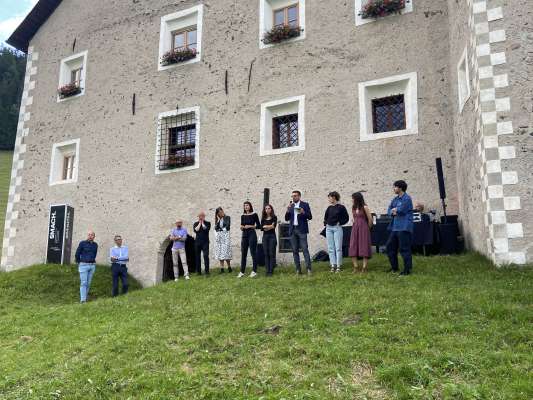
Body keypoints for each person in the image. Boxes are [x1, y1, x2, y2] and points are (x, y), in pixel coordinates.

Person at [386, 180, 414, 276]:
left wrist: (395, 210)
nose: (393, 189)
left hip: (404, 227)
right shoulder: (395, 199)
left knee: (404, 249)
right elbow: (389, 210)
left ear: (400, 188)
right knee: (389, 247)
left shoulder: (407, 198)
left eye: (395, 187)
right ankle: (394, 267)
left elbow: (402, 210)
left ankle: (407, 269)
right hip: (395, 227)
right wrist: (393, 211)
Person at [285, 190, 313, 275]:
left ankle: (309, 269)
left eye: (295, 196)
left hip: (301, 230)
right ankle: (298, 270)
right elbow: (286, 218)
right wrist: (287, 210)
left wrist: (303, 212)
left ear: (299, 196)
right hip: (293, 229)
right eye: (292, 196)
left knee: (305, 249)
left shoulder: (305, 205)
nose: (293, 197)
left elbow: (310, 217)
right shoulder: (291, 206)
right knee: (294, 250)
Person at [323, 191, 349, 273]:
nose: (329, 199)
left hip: (337, 228)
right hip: (329, 229)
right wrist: (326, 223)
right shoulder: (329, 208)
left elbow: (346, 218)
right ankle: (332, 265)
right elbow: (325, 218)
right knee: (331, 248)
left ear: (334, 197)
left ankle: (338, 265)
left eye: (329, 197)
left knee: (338, 248)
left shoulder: (341, 207)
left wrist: (340, 222)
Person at [349, 192, 373, 273]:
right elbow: (354, 218)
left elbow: (370, 219)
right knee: (353, 246)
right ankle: (355, 267)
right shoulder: (353, 207)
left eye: (353, 198)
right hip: (355, 228)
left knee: (364, 246)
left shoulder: (365, 207)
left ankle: (364, 267)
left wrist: (367, 228)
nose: (352, 200)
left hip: (364, 228)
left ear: (357, 198)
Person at [75, 230, 98, 303]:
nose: (90, 236)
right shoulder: (82, 243)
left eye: (92, 235)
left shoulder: (95, 245)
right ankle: (83, 300)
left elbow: (94, 254)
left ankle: (85, 298)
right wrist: (79, 262)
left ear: (94, 236)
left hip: (92, 266)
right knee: (84, 282)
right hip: (83, 265)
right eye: (89, 235)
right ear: (87, 235)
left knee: (88, 283)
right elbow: (77, 254)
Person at [238, 201, 260, 278]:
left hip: (252, 234)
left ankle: (254, 271)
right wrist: (242, 227)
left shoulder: (254, 214)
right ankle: (242, 272)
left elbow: (259, 226)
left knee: (253, 253)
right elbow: (241, 225)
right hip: (244, 235)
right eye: (244, 206)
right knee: (243, 254)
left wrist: (250, 226)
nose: (246, 207)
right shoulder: (242, 215)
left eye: (247, 205)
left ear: (250, 206)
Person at [261, 204, 278, 276]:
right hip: (265, 237)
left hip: (272, 237)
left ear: (271, 209)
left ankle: (271, 271)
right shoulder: (263, 219)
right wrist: (269, 226)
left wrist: (267, 227)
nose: (267, 210)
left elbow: (273, 226)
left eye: (269, 208)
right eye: (266, 209)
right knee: (266, 254)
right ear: (264, 210)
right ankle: (267, 270)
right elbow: (262, 228)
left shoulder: (274, 217)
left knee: (271, 254)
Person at [214, 207, 232, 273]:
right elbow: (215, 228)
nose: (221, 213)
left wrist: (220, 230)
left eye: (221, 212)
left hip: (226, 237)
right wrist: (218, 220)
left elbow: (227, 227)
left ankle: (229, 267)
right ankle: (222, 268)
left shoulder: (227, 217)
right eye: (219, 213)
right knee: (220, 252)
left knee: (226, 252)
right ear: (217, 214)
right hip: (220, 238)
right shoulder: (218, 220)